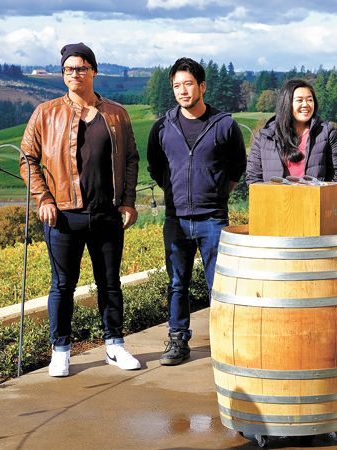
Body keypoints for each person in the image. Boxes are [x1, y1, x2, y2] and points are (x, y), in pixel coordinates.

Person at [20, 42, 141, 377]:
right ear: (63, 75)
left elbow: (131, 158)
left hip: (107, 214)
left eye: (81, 68)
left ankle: (114, 345)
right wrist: (43, 199)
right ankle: (60, 350)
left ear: (94, 71)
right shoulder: (46, 113)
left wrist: (128, 201)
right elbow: (27, 158)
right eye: (68, 69)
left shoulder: (116, 113)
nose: (75, 74)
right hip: (62, 216)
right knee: (62, 285)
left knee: (110, 282)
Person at [147, 57, 247, 366]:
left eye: (188, 84)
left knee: (218, 283)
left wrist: (216, 194)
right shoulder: (163, 126)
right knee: (177, 282)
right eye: (176, 86)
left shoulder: (224, 125)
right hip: (176, 220)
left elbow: (237, 167)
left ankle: (224, 341)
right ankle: (178, 341)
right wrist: (173, 192)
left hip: (212, 219)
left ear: (201, 86)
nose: (182, 90)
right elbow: (155, 167)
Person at [246, 79, 337, 184]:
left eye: (309, 100)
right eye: (299, 100)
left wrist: (321, 195)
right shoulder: (265, 136)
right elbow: (253, 178)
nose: (305, 104)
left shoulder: (326, 133)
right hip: (276, 200)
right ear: (287, 103)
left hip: (315, 200)